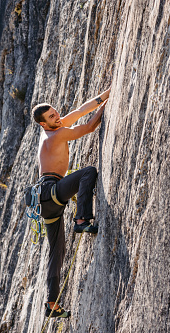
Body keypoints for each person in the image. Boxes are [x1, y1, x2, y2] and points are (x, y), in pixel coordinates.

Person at [32, 87, 110, 318]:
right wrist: (106, 106)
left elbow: (79, 111)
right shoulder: (56, 134)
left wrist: (104, 95)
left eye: (56, 113)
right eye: (52, 117)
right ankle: (82, 219)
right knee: (88, 172)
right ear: (44, 124)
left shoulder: (52, 129)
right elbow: (88, 127)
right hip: (51, 190)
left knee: (57, 251)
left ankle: (51, 303)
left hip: (44, 199)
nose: (57, 117)